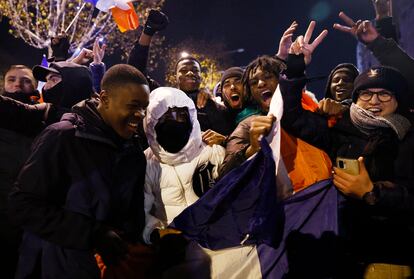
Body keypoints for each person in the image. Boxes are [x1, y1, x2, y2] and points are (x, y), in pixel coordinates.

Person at [280, 24, 414, 276]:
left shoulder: (408, 137)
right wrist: (296, 68)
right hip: (341, 252)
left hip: (394, 256)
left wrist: (372, 193)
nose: (374, 101)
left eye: (384, 94)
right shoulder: (338, 129)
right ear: (355, 99)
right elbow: (292, 118)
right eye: (366, 94)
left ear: (398, 101)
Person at [8, 64, 150, 279]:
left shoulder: (134, 154)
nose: (140, 115)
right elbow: (22, 205)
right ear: (104, 99)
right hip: (53, 269)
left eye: (144, 107)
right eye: (133, 106)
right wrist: (93, 234)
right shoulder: (63, 137)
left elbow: (130, 219)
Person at [142, 87, 225, 245]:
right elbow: (141, 212)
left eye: (181, 115)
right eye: (167, 115)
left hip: (219, 244)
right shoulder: (146, 163)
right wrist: (158, 233)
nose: (175, 120)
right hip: (177, 253)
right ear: (152, 120)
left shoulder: (213, 150)